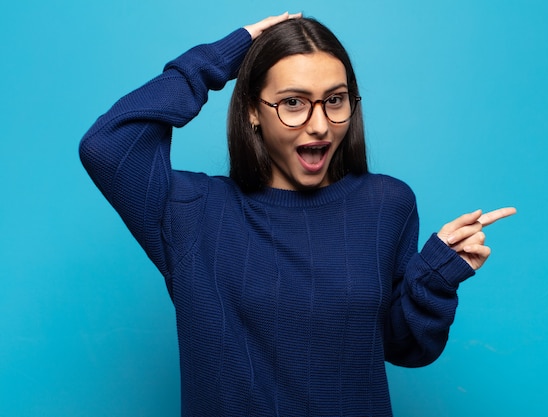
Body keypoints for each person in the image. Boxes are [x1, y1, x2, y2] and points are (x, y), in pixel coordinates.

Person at [79, 12, 516, 416]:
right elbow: (108, 145)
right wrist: (224, 57)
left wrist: (435, 277)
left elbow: (402, 347)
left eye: (335, 100)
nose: (320, 124)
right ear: (252, 109)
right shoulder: (191, 212)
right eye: (293, 102)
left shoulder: (387, 204)